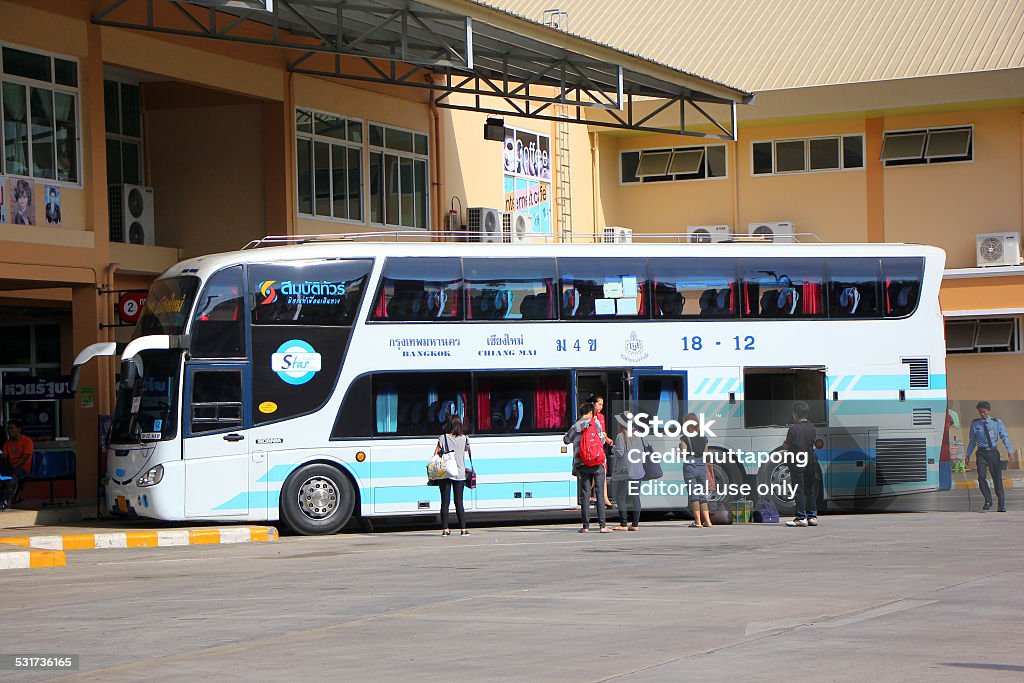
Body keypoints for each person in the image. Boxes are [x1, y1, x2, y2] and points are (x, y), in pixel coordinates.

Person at [565, 403, 609, 532]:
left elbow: (566, 440)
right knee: (600, 493)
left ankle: (585, 526)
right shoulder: (595, 423)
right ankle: (603, 526)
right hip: (597, 462)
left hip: (582, 463)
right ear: (590, 412)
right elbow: (602, 441)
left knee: (585, 494)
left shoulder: (576, 425)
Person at [965, 400, 1012, 512]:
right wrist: (968, 454)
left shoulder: (996, 423)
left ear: (989, 411)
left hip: (993, 453)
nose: (982, 414)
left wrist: (1009, 451)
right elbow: (972, 440)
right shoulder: (975, 423)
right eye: (980, 412)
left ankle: (1001, 505)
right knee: (981, 477)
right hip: (981, 453)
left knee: (997, 479)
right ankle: (988, 500)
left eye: (984, 412)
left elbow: (1004, 437)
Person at [782, 401, 819, 527]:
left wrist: (784, 445)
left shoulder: (794, 428)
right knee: (810, 488)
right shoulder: (812, 427)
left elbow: (788, 445)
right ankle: (812, 517)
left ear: (795, 414)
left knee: (799, 489)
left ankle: (800, 517)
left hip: (797, 461)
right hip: (811, 461)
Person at [433, 415, 471, 536]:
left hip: (446, 473)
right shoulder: (465, 438)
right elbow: (466, 450)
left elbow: (435, 453)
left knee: (445, 502)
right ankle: (463, 529)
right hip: (459, 474)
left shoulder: (442, 438)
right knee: (459, 502)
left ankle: (445, 529)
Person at [610, 414, 645, 531]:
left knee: (620, 497)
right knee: (635, 497)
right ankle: (635, 524)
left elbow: (619, 453)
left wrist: (612, 447)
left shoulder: (621, 436)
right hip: (637, 471)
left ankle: (623, 523)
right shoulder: (637, 435)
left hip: (625, 472)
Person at [681, 412, 712, 528]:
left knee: (694, 495)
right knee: (702, 495)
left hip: (690, 466)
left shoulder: (685, 438)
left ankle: (698, 522)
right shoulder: (703, 437)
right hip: (701, 466)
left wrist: (677, 452)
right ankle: (708, 522)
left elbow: (684, 454)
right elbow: (706, 453)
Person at [587, 394, 615, 509]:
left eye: (602, 405)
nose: (601, 407)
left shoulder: (601, 417)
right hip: (591, 448)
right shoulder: (587, 416)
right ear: (593, 404)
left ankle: (605, 498)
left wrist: (607, 439)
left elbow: (603, 432)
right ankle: (587, 496)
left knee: (602, 471)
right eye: (599, 404)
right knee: (595, 473)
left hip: (600, 448)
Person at [2, 419, 33, 508]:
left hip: (23, 468)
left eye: (12, 428)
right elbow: (4, 457)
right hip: (11, 467)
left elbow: (24, 459)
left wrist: (10, 468)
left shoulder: (27, 441)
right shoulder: (7, 443)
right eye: (8, 428)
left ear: (19, 429)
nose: (9, 431)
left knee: (11, 476)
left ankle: (9, 500)